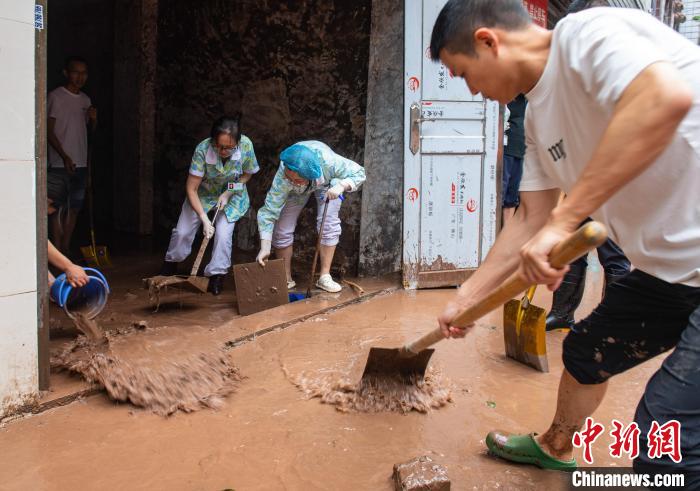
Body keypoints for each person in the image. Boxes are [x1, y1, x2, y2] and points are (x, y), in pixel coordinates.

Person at [430, 0, 700, 480]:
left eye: (462, 73)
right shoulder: (536, 118)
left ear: (488, 42)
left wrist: (566, 218)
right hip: (673, 271)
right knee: (586, 350)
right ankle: (556, 445)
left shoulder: (588, 34)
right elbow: (531, 218)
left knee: (667, 436)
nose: (471, 90)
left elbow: (664, 98)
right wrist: (467, 297)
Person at [161, 115, 259, 295]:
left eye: (229, 148)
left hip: (232, 194)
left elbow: (247, 175)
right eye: (220, 146)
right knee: (182, 232)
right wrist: (205, 220)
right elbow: (191, 188)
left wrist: (229, 191)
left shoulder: (246, 146)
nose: (224, 151)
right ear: (213, 140)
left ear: (237, 142)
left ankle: (217, 275)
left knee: (223, 235)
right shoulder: (202, 149)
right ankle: (171, 263)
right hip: (202, 194)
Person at [256, 141, 366, 293]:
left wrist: (341, 186)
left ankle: (324, 276)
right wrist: (265, 246)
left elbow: (360, 172)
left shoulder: (330, 163)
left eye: (298, 180)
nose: (293, 181)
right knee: (282, 228)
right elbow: (268, 212)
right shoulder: (285, 176)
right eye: (290, 178)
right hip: (294, 193)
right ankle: (286, 278)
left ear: (308, 177)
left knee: (327, 223)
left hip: (328, 184)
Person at [47, 56, 97, 254]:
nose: (80, 77)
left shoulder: (85, 100)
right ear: (66, 73)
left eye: (84, 73)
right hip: (59, 163)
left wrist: (94, 119)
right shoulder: (55, 97)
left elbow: (89, 132)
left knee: (74, 208)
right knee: (56, 208)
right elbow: (48, 131)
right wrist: (65, 156)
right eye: (75, 72)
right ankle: (57, 250)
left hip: (81, 163)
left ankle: (65, 248)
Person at [502, 94, 526, 225]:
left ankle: (505, 235)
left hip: (521, 149)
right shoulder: (506, 90)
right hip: (505, 149)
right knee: (498, 195)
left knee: (511, 198)